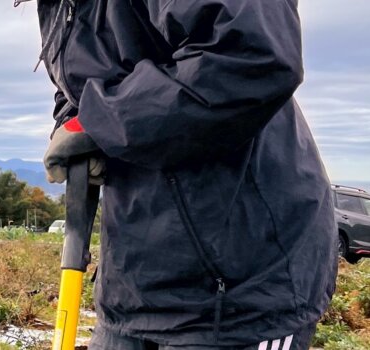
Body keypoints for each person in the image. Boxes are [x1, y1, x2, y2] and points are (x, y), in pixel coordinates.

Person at [23, 0, 339, 348]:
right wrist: (70, 124)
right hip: (135, 281)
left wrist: (99, 124)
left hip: (240, 283)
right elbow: (81, 87)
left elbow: (249, 55)